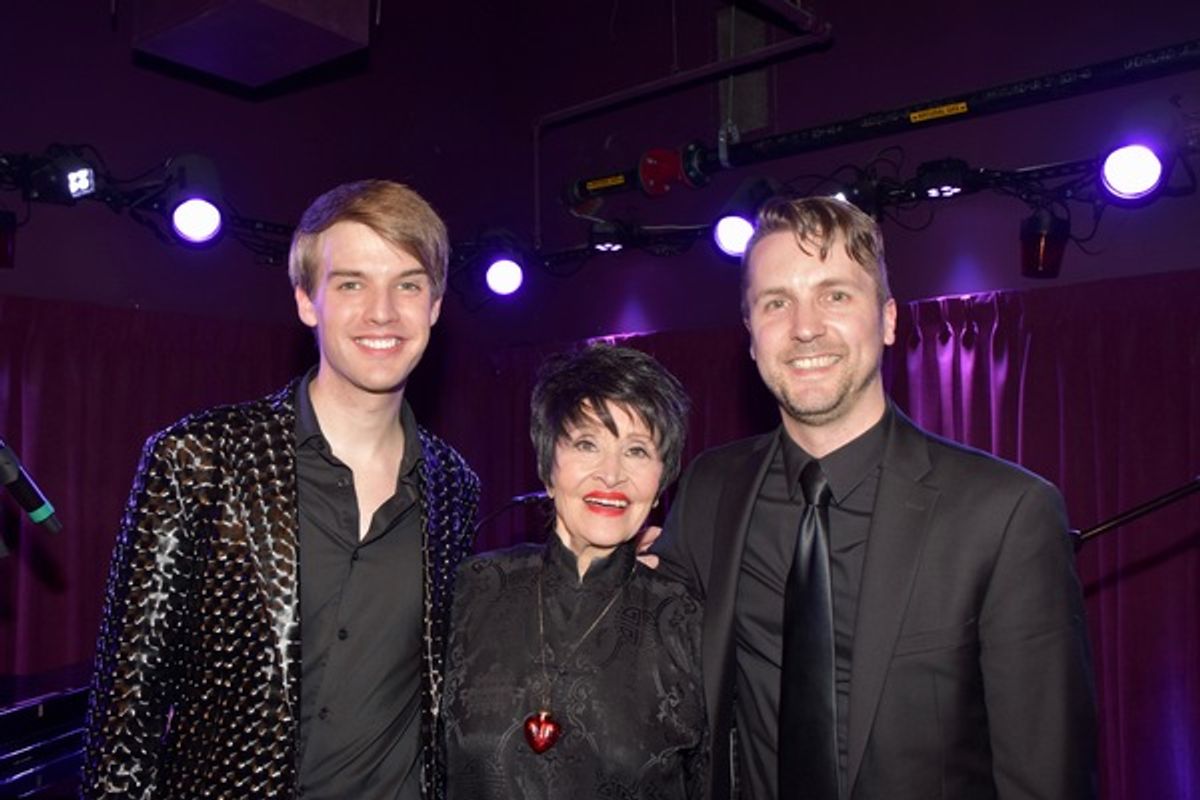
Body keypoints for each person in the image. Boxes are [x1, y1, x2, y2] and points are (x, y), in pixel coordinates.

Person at [653, 196, 1097, 799]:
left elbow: (1046, 779)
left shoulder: (1006, 514)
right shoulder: (709, 490)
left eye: (835, 295)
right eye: (776, 302)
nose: (805, 326)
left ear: (888, 319)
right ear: (751, 336)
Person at [83, 180, 480, 799]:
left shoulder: (455, 488)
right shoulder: (201, 457)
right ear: (306, 301)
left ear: (434, 305)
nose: (383, 311)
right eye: (351, 283)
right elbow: (125, 713)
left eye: (408, 283)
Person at [442, 344, 708, 799]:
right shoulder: (470, 591)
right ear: (548, 468)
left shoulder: (688, 622)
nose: (611, 475)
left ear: (661, 481)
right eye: (587, 444)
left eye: (638, 451)